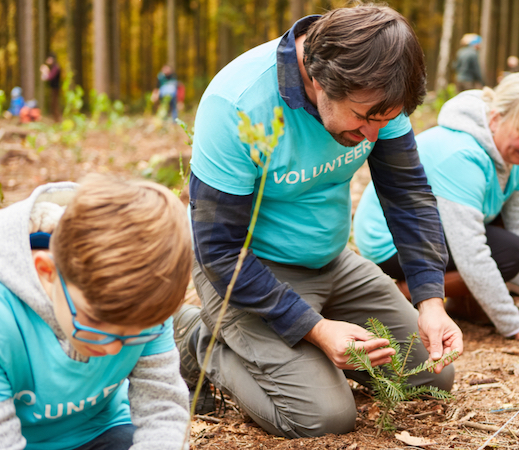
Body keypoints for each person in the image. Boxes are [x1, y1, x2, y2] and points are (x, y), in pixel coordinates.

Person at [174, 6, 463, 439]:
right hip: (245, 276)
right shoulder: (236, 104)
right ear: (318, 78)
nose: (372, 135)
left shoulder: (381, 90)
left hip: (331, 261)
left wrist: (431, 300)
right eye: (364, 117)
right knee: (323, 417)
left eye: (384, 121)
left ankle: (296, 355)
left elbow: (408, 196)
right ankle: (200, 338)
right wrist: (316, 329)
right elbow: (218, 250)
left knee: (432, 376)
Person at [353, 73, 519, 347]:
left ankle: (461, 304)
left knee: (516, 244)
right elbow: (472, 254)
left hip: (438, 232)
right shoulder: (462, 155)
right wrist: (516, 328)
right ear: (495, 120)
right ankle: (400, 294)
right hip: (391, 240)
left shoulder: (517, 155)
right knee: (509, 252)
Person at [0, 176, 192, 449]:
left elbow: (162, 408)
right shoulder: (0, 314)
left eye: (130, 335)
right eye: (96, 322)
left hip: (100, 431)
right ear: (48, 272)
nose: (113, 349)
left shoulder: (145, 300)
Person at [40, 52, 62, 122]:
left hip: (56, 88)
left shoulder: (56, 67)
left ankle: (58, 121)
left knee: (54, 105)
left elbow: (50, 77)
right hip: (54, 88)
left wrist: (45, 71)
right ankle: (56, 121)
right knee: (53, 105)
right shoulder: (54, 67)